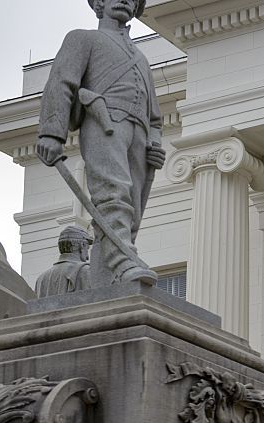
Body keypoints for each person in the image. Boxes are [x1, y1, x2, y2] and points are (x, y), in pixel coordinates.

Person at [35, 0, 162, 286]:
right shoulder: (83, 38)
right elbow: (61, 82)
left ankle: (107, 275)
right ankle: (123, 260)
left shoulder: (141, 58)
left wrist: (155, 142)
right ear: (99, 2)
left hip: (139, 138)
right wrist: (51, 133)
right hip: (104, 123)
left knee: (133, 208)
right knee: (112, 193)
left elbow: (155, 117)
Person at [34, 226, 92, 297]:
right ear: (82, 246)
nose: (87, 257)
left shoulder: (41, 279)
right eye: (87, 248)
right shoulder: (86, 271)